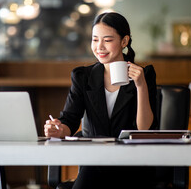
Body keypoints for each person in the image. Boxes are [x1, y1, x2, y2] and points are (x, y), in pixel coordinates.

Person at [44, 12, 157, 188]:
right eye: (95, 40)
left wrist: (140, 86)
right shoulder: (83, 76)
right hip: (95, 161)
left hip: (131, 163)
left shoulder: (144, 75)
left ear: (124, 41)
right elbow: (70, 120)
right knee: (92, 166)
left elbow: (145, 128)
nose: (99, 47)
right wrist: (58, 130)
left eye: (107, 40)